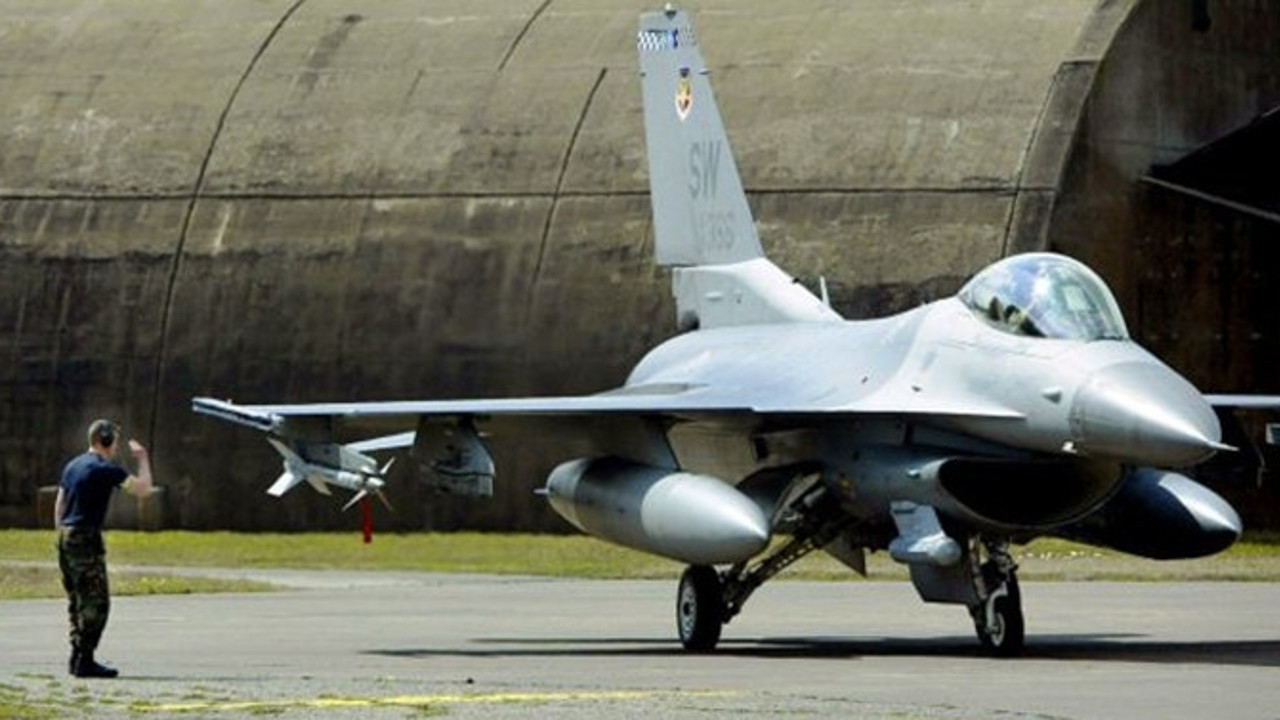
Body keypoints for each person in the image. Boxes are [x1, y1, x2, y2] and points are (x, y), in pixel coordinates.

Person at [54, 419, 153, 678]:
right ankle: (84, 660)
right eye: (114, 441)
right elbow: (143, 489)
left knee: (77, 600)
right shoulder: (105, 469)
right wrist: (143, 459)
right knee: (97, 603)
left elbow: (60, 503)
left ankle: (77, 656)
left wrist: (61, 535)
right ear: (105, 440)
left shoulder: (72, 465)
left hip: (65, 536)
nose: (116, 446)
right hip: (85, 537)